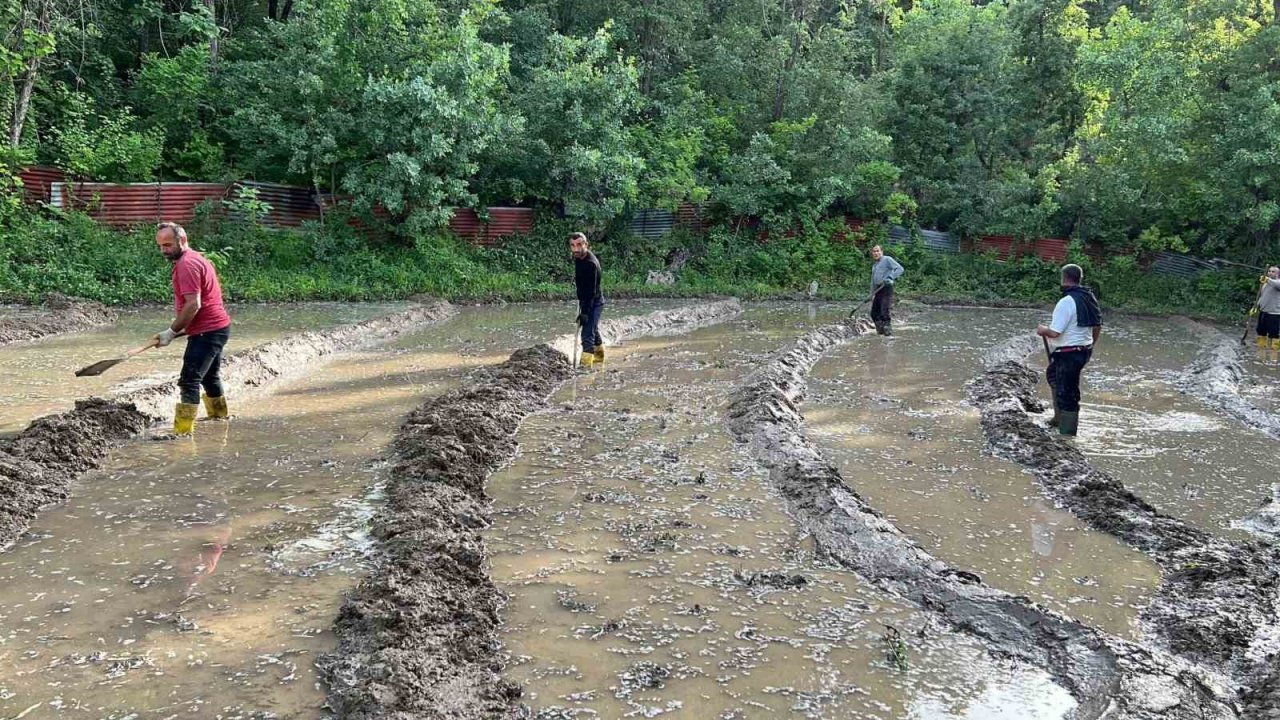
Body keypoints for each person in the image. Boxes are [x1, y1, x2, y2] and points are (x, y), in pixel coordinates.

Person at [153, 222, 232, 436]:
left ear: (183, 240)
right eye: (160, 246)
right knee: (210, 377)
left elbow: (193, 304)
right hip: (217, 327)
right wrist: (179, 329)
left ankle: (182, 433)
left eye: (168, 245)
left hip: (207, 331)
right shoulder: (196, 258)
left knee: (189, 380)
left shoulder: (186, 265)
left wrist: (171, 332)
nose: (164, 250)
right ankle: (219, 418)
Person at [1036, 264, 1102, 437]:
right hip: (1082, 351)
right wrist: (1090, 345)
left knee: (1068, 392)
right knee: (1053, 376)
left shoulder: (1066, 302)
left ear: (1064, 278)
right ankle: (1058, 418)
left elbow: (1055, 332)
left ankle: (1067, 434)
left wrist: (1043, 329)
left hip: (1068, 353)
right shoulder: (1088, 297)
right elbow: (1097, 325)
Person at [571, 232, 604, 367]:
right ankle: (599, 358)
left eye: (579, 245)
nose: (576, 249)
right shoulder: (579, 258)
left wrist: (585, 312)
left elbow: (591, 292)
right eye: (573, 245)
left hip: (594, 302)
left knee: (586, 336)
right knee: (593, 330)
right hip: (586, 300)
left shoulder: (590, 264)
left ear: (586, 245)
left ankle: (585, 369)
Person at [869, 245, 904, 336]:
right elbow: (873, 281)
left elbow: (900, 269)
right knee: (874, 313)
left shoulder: (887, 259)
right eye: (874, 251)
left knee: (884, 310)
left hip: (886, 288)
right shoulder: (875, 266)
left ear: (882, 252)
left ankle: (888, 334)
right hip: (878, 290)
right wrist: (871, 294)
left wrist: (891, 277)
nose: (876, 253)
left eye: (877, 251)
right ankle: (880, 333)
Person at [1254, 266, 1280, 363]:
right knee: (1261, 332)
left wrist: (1267, 279)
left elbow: (1277, 284)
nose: (1270, 273)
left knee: (1274, 334)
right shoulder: (1265, 284)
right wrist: (1256, 307)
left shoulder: (1277, 282)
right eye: (1269, 271)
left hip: (1274, 313)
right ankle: (1261, 354)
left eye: (1273, 272)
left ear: (1277, 274)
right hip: (1263, 312)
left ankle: (1274, 357)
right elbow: (1262, 296)